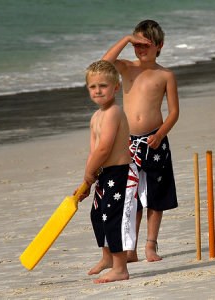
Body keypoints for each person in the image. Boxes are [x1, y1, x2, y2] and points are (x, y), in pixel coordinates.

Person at [102, 20, 179, 262]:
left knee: (156, 196)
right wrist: (126, 40)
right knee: (130, 197)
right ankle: (131, 248)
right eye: (138, 45)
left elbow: (174, 112)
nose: (141, 50)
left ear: (160, 46)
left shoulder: (165, 75)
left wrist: (160, 133)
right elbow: (103, 65)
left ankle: (150, 246)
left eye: (146, 45)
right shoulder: (126, 68)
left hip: (155, 140)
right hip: (128, 142)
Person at [75, 60, 139, 283]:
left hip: (121, 173)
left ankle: (120, 268)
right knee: (98, 216)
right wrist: (88, 181)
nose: (98, 90)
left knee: (114, 218)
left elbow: (105, 148)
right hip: (104, 174)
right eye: (93, 87)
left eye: (103, 85)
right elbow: (93, 152)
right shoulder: (95, 117)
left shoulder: (114, 112)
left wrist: (88, 174)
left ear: (116, 87)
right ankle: (108, 258)